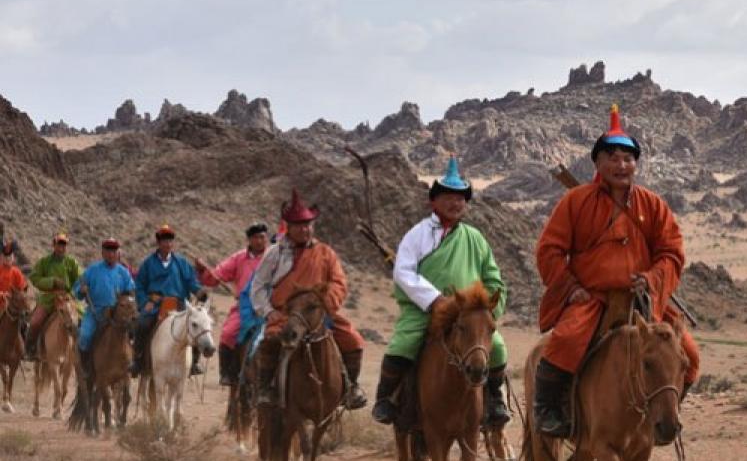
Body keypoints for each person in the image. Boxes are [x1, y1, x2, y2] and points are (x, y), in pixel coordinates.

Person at [533, 105, 701, 437]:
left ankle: (662, 416)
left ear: (636, 164)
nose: (621, 164)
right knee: (565, 341)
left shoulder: (653, 205)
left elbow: (671, 252)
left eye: (628, 158)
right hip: (594, 298)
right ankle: (548, 411)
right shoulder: (576, 202)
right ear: (597, 163)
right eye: (612, 157)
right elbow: (549, 249)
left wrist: (652, 279)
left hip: (643, 301)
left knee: (689, 355)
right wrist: (570, 288)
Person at [372, 158, 510, 430]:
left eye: (460, 198)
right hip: (425, 309)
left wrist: (488, 309)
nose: (455, 203)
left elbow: (492, 276)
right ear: (433, 202)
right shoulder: (417, 235)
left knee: (497, 347)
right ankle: (386, 398)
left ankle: (494, 401)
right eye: (448, 197)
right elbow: (404, 272)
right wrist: (434, 300)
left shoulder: (475, 238)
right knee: (404, 343)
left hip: (469, 314)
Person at [249, 189, 369, 410]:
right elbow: (258, 287)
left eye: (309, 225)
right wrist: (268, 311)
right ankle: (265, 390)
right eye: (300, 225)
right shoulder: (274, 254)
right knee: (269, 343)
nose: (305, 229)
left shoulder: (326, 253)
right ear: (290, 227)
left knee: (353, 340)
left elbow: (339, 282)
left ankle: (351, 387)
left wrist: (326, 303)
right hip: (287, 315)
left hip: (319, 315)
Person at [195, 223, 270, 387]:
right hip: (245, 307)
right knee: (228, 333)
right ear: (249, 240)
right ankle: (228, 373)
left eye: (263, 237)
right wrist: (203, 272)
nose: (260, 241)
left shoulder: (274, 256)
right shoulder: (239, 258)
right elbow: (216, 276)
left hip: (271, 306)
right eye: (256, 238)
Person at [132, 224, 202, 378]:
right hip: (156, 304)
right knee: (142, 324)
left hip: (179, 306)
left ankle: (195, 362)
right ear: (158, 242)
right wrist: (145, 302)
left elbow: (192, 282)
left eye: (170, 240)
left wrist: (199, 291)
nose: (168, 243)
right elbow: (139, 286)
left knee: (196, 325)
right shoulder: (148, 263)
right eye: (164, 240)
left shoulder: (182, 263)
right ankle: (137, 359)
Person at [73, 238, 136, 385]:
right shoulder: (92, 270)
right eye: (108, 251)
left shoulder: (123, 273)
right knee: (85, 336)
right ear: (102, 252)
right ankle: (86, 368)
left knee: (134, 332)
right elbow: (77, 288)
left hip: (118, 313)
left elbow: (131, 290)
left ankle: (132, 363)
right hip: (96, 312)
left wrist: (127, 300)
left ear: (118, 253)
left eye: (114, 251)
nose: (111, 254)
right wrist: (81, 290)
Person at [26, 233, 81, 360]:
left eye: (64, 245)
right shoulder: (44, 262)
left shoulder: (72, 262)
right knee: (35, 322)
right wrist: (51, 282)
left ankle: (81, 353)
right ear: (54, 245)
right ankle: (30, 349)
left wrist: (74, 291)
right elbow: (34, 278)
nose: (62, 247)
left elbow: (80, 280)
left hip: (67, 299)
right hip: (49, 299)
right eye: (59, 244)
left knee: (82, 321)